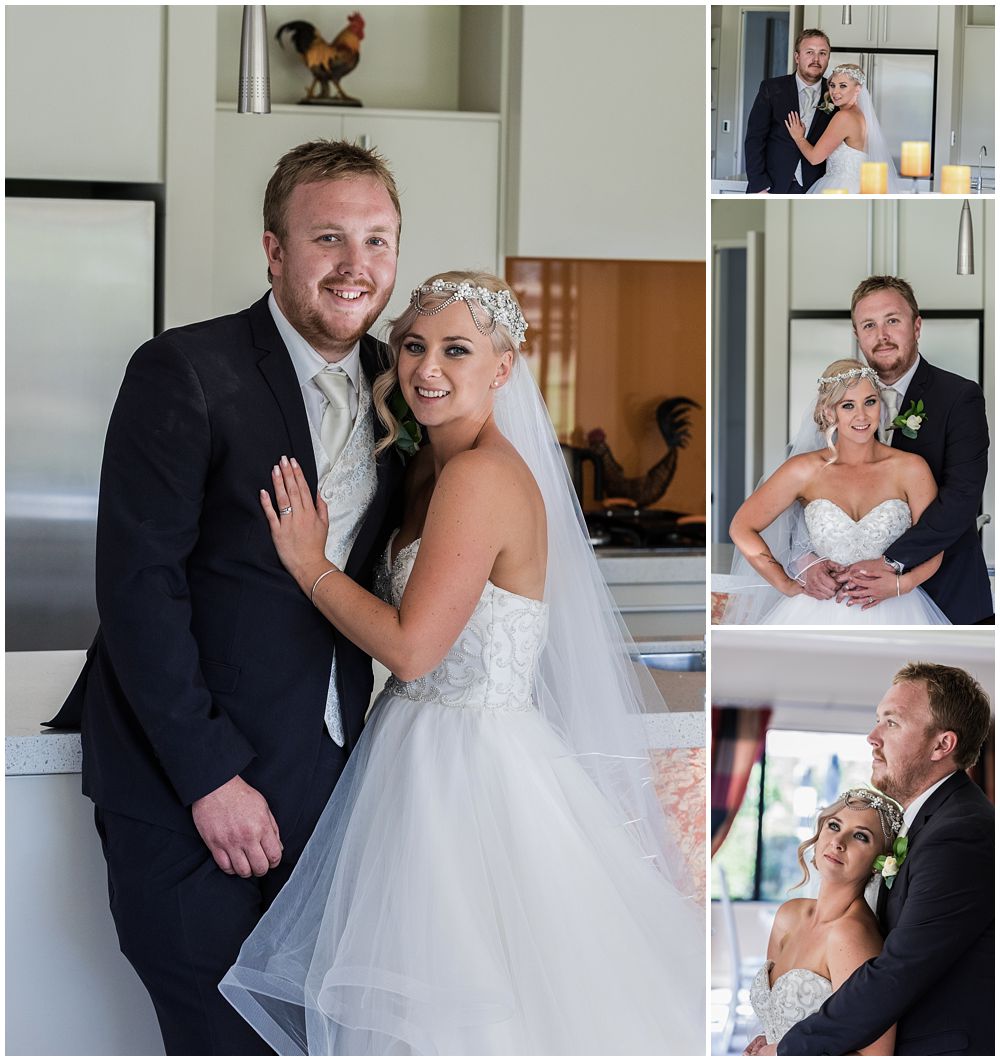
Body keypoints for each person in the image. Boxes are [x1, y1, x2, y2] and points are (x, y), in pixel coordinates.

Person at [219, 272, 705, 1054]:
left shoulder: (480, 476)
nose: (427, 368)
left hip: (468, 768)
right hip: (407, 747)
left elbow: (413, 646)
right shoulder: (426, 464)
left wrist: (309, 564)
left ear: (503, 368)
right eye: (413, 345)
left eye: (455, 349)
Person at [45, 140, 406, 1054]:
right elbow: (138, 585)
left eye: (377, 239)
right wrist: (209, 776)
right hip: (184, 785)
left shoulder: (404, 392)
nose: (356, 266)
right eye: (328, 238)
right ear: (275, 251)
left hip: (328, 789)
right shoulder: (186, 369)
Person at [757, 663, 994, 1056]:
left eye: (892, 723)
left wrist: (788, 1050)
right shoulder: (929, 824)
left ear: (941, 745)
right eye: (876, 720)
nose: (872, 737)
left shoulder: (960, 832)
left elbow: (898, 972)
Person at [806, 276, 993, 625]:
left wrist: (894, 563)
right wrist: (807, 561)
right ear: (857, 334)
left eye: (893, 320)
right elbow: (803, 495)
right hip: (847, 603)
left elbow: (962, 499)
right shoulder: (835, 403)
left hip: (947, 594)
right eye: (869, 325)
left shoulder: (959, 397)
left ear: (916, 326)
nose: (882, 335)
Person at [727, 359, 949, 624]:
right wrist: (785, 584)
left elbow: (935, 542)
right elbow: (741, 527)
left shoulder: (911, 468)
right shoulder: (803, 470)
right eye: (848, 405)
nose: (862, 416)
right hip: (816, 611)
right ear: (829, 412)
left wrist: (903, 584)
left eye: (870, 402)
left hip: (899, 608)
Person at [745, 789, 902, 1055]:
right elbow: (780, 1019)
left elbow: (874, 1056)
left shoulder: (850, 936)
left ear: (879, 864)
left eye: (861, 836)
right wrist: (765, 1040)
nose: (838, 841)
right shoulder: (789, 916)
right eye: (834, 825)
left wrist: (781, 1053)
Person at [784, 63, 902, 193]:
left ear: (858, 89)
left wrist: (799, 138)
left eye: (843, 86)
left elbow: (814, 158)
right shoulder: (860, 115)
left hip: (840, 187)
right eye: (832, 85)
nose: (835, 92)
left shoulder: (844, 117)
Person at [744, 29, 834, 194]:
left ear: (828, 57)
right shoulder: (771, 88)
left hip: (815, 188)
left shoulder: (836, 94)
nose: (816, 59)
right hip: (771, 186)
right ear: (797, 57)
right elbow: (754, 139)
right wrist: (759, 185)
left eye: (823, 53)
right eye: (809, 52)